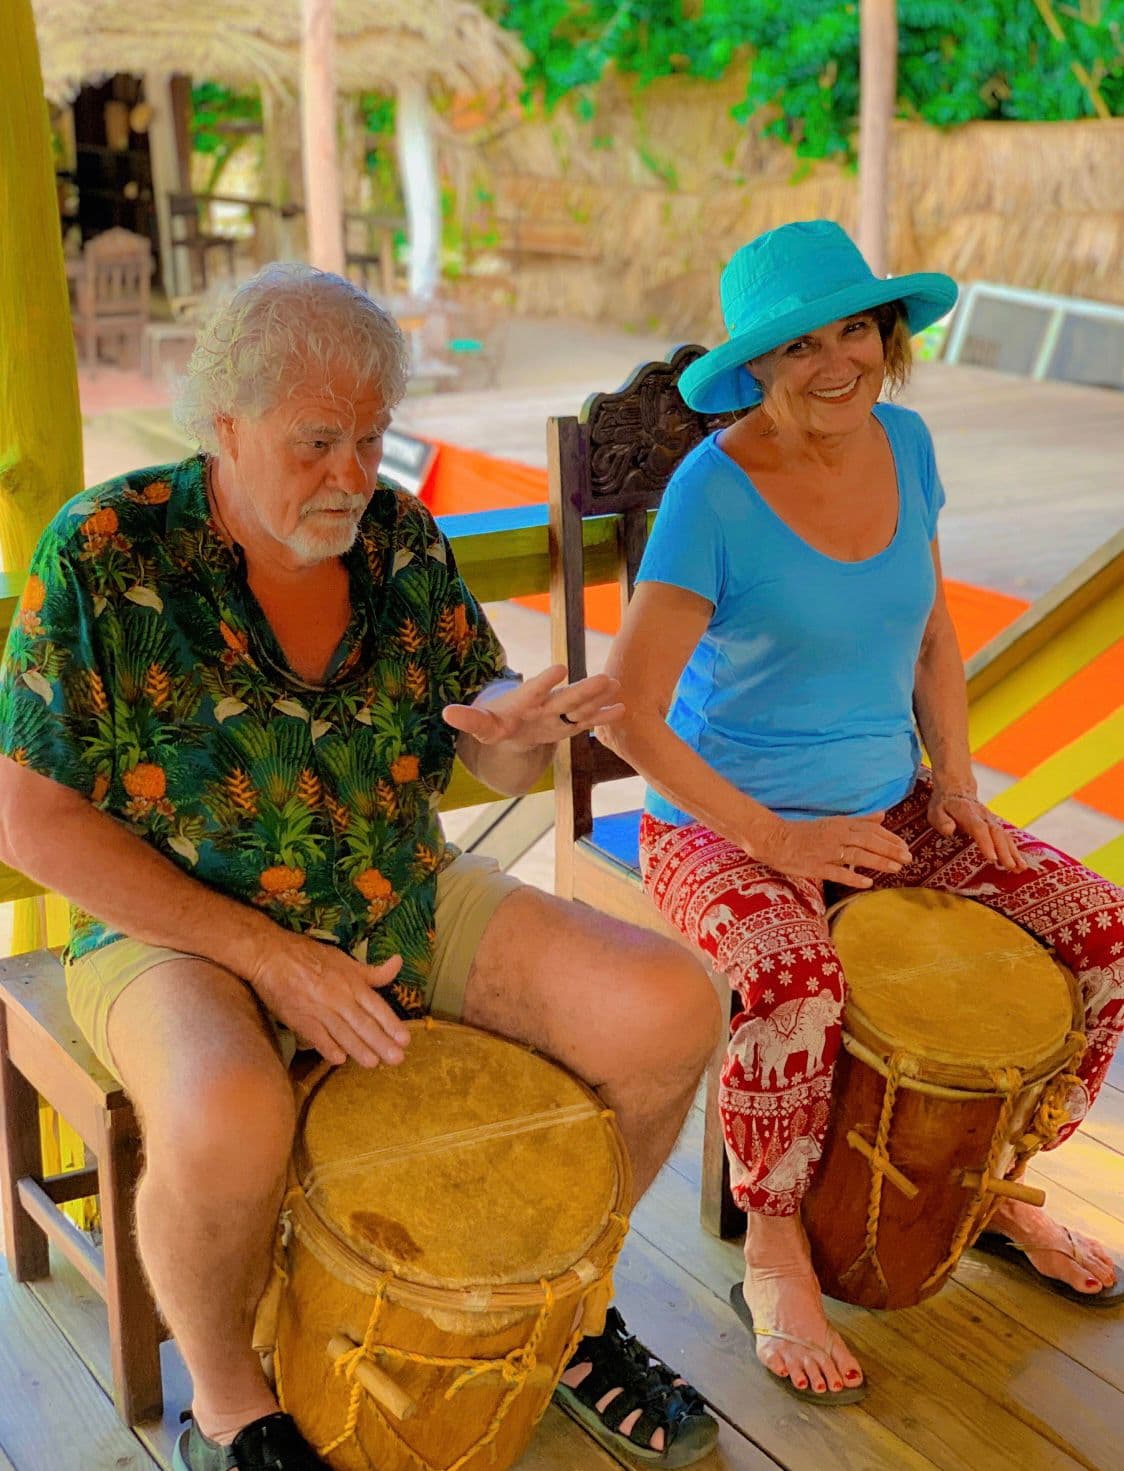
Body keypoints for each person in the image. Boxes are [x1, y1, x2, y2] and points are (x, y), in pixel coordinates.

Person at [0, 265, 724, 1471]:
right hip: (177, 930)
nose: (352, 473)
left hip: (398, 886)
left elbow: (480, 745)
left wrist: (511, 728)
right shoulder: (105, 550)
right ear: (223, 425)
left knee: (667, 1006)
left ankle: (567, 1314)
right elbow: (32, 824)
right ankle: (232, 1406)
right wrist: (272, 960)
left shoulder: (396, 537)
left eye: (373, 437)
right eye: (317, 440)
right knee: (231, 1115)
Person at [601, 219, 1124, 1406]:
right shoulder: (709, 494)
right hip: (719, 822)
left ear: (886, 335)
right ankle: (774, 1233)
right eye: (799, 345)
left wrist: (955, 783)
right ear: (757, 365)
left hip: (893, 803)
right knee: (795, 980)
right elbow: (626, 714)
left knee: (1099, 930)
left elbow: (932, 629)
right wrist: (774, 840)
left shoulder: (906, 439)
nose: (835, 361)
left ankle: (986, 1181)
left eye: (857, 330)